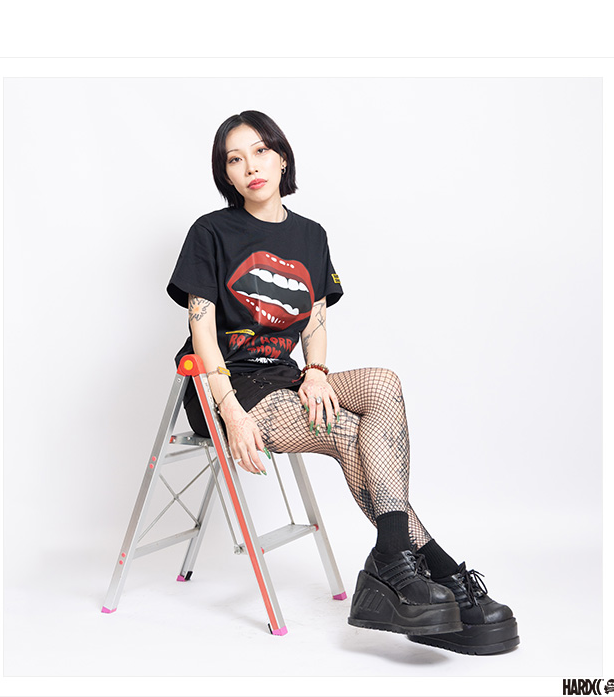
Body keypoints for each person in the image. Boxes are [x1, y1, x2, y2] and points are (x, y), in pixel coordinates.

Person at [167, 110, 519, 655]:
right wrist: (230, 411)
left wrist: (315, 372)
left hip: (285, 377)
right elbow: (201, 331)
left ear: (282, 158)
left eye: (260, 152)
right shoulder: (210, 231)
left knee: (382, 383)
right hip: (227, 387)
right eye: (234, 159)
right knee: (351, 435)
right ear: (226, 174)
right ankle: (433, 570)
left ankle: (396, 564)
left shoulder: (311, 236)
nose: (250, 167)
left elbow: (315, 320)